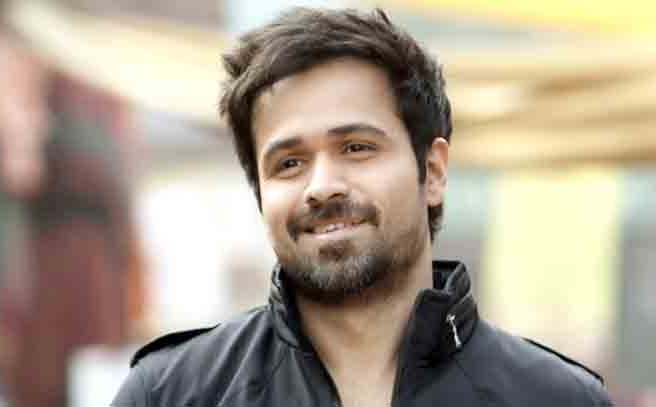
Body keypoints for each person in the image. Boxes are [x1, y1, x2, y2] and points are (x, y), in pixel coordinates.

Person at [112, 7, 613, 407]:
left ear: (433, 171)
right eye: (289, 163)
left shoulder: (555, 398)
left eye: (356, 147)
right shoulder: (171, 394)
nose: (322, 187)